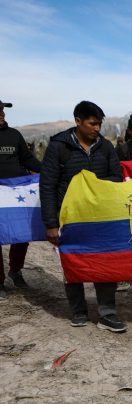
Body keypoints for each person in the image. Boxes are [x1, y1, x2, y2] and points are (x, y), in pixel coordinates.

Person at [39, 101, 126, 332]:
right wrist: (50, 224)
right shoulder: (59, 147)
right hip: (69, 219)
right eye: (92, 123)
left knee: (105, 264)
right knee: (72, 263)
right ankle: (78, 311)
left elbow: (118, 178)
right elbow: (47, 186)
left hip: (101, 219)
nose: (97, 128)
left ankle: (107, 313)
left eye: (99, 124)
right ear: (78, 121)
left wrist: (93, 184)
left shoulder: (105, 147)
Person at [0, 99, 42, 298]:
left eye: (2, 110)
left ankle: (15, 271)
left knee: (21, 234)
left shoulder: (14, 135)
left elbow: (28, 159)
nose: (2, 114)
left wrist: (47, 169)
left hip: (17, 193)